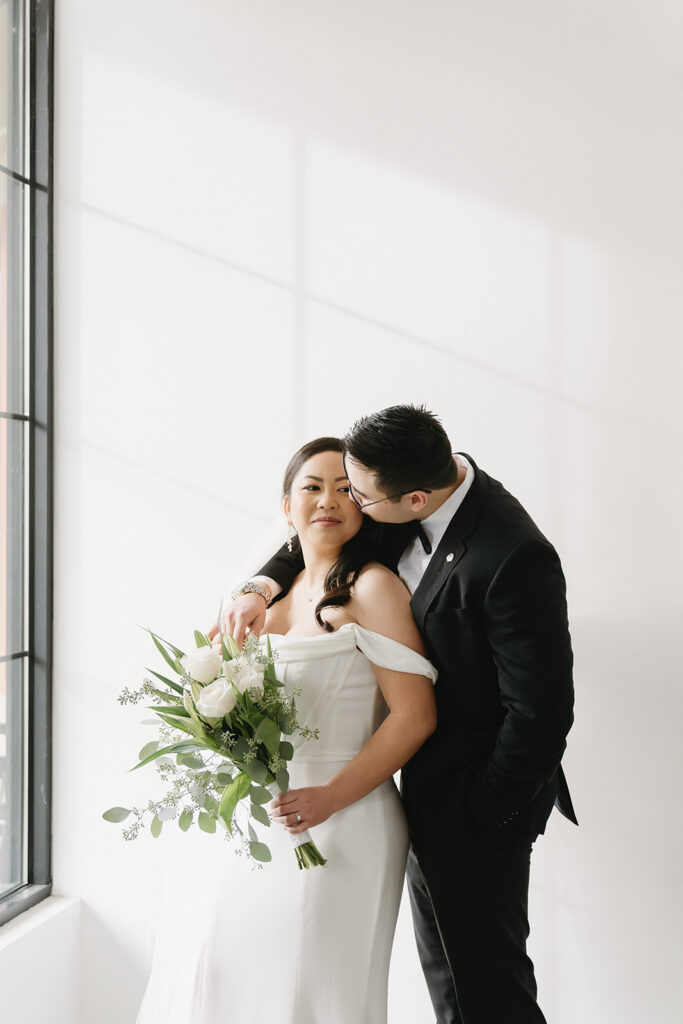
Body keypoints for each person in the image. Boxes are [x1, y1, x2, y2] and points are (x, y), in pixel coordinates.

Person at [226, 405, 577, 1024]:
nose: (349, 504)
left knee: (488, 987)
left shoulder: (513, 555)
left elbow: (542, 713)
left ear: (413, 499)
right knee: (448, 982)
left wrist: (483, 810)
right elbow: (312, 537)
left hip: (479, 798)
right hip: (414, 788)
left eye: (358, 494)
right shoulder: (403, 487)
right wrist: (258, 585)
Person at [136, 436, 437, 1024]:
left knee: (313, 990)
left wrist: (330, 797)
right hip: (260, 820)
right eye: (313, 487)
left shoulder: (373, 588)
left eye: (347, 489)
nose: (329, 500)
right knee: (227, 978)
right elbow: (208, 683)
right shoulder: (267, 596)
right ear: (286, 505)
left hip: (340, 825)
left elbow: (415, 715)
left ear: (368, 505)